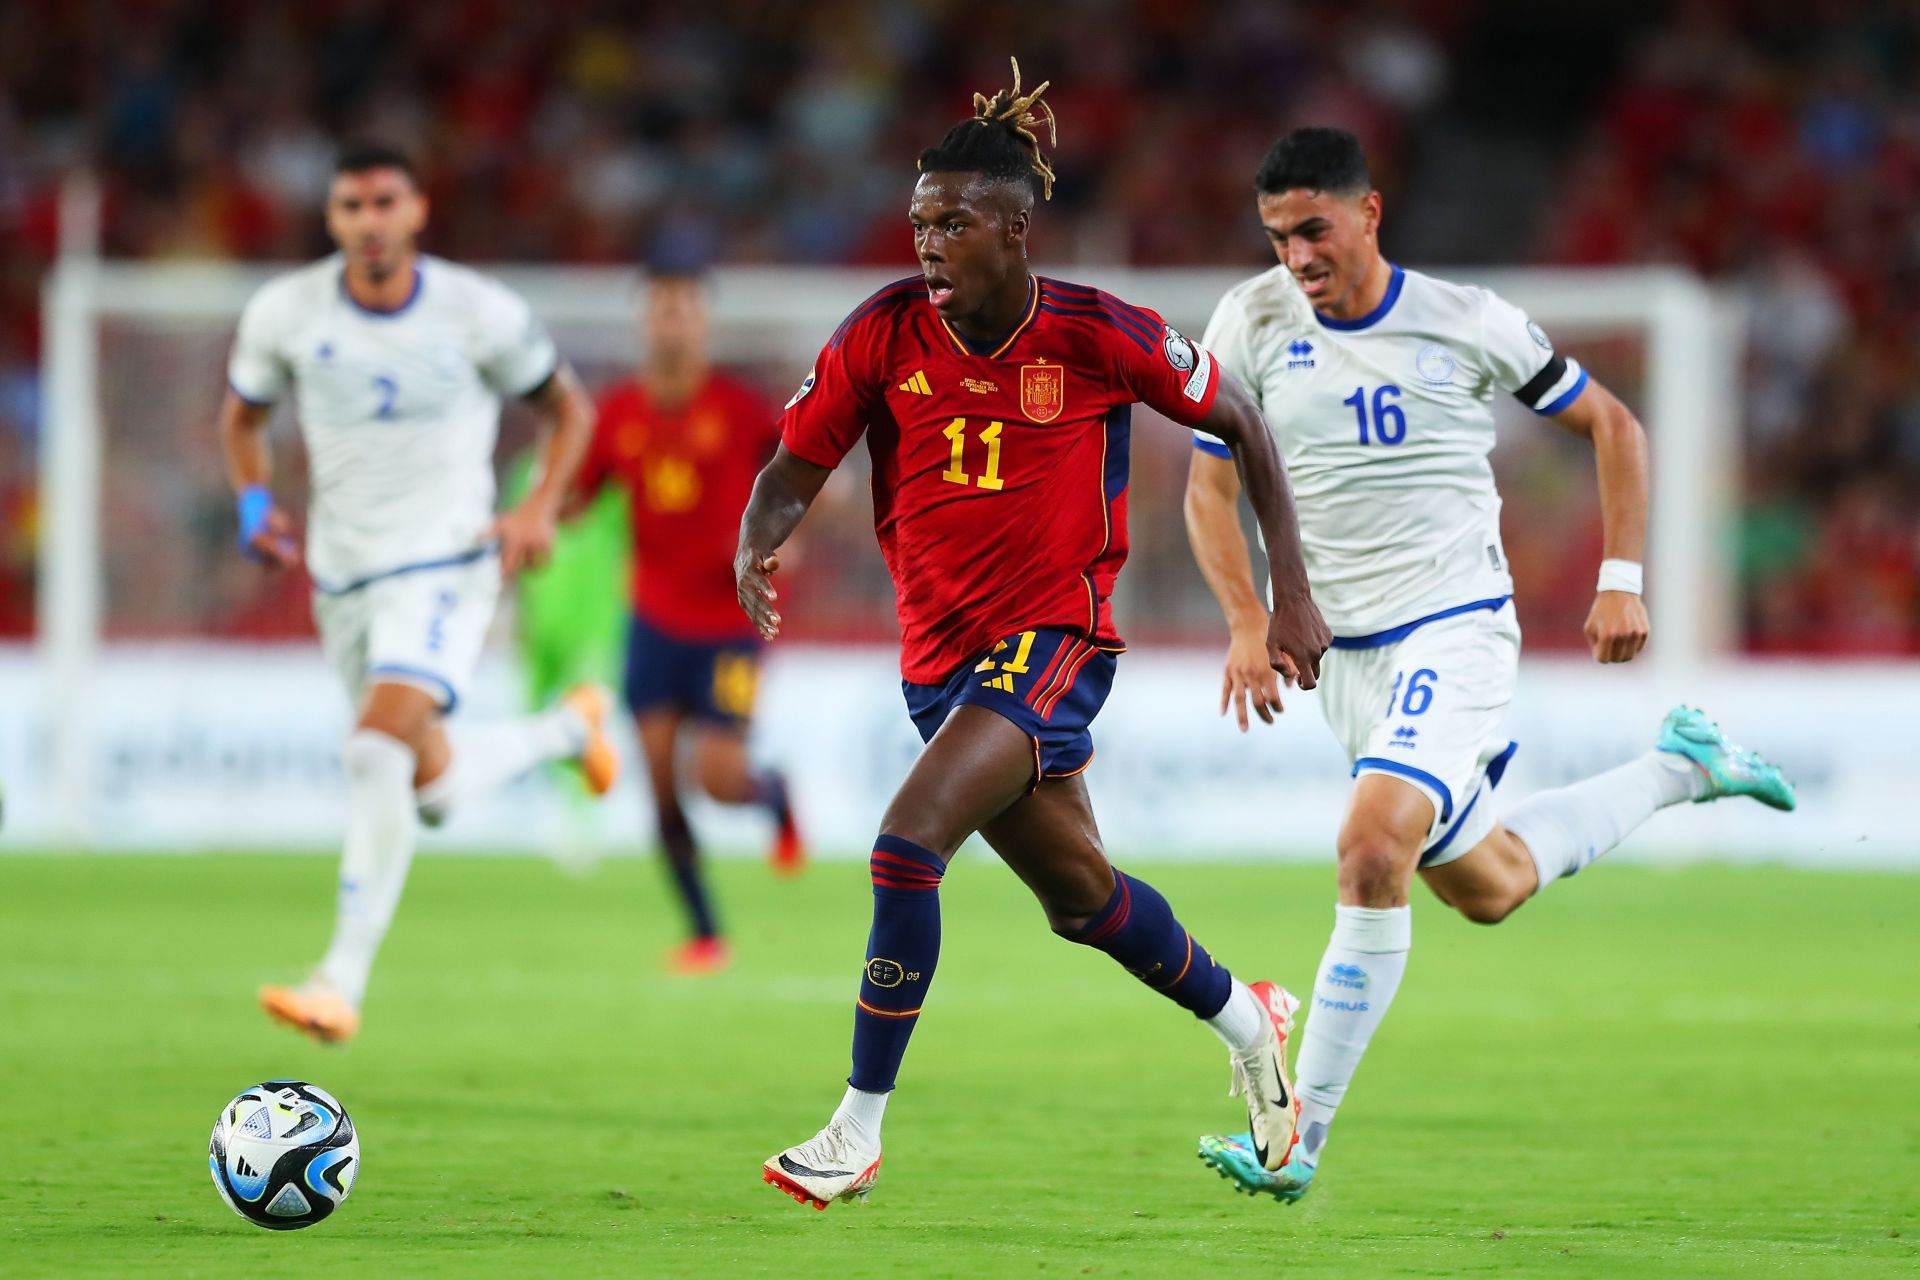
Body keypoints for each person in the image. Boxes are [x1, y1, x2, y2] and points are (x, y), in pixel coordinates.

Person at [737, 63, 1333, 1210]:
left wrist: (1285, 594)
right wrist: (753, 543)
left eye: (953, 223)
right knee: (1083, 901)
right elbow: (791, 465)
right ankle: (1246, 1015)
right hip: (939, 663)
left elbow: (1242, 422)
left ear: (1016, 228)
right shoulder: (881, 336)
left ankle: (854, 1129)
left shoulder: (1101, 334)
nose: (929, 243)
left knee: (908, 843)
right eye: (920, 222)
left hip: (1057, 640)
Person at [1182, 128, 1795, 1201]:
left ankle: (1297, 1139)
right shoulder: (1250, 319)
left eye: (1315, 229)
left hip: (1453, 627)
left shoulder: (1466, 320)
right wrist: (1246, 616)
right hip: (1346, 663)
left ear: (1371, 214)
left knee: (1371, 847)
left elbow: (1612, 422)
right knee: (1489, 884)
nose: (1297, 256)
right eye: (1279, 235)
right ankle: (1683, 768)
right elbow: (1207, 488)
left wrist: (1620, 573)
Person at [222, 142, 618, 1044]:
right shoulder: (285, 312)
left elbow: (569, 410)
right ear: (332, 220)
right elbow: (242, 417)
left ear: (416, 211)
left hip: (447, 560)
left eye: (385, 203)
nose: (370, 222)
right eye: (352, 206)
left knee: (373, 750)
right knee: (428, 789)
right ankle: (568, 729)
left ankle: (339, 980)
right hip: (343, 574)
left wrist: (536, 510)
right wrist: (253, 500)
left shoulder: (475, 311)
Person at [572, 262, 805, 976]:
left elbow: (802, 466)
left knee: (718, 778)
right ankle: (706, 932)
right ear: (646, 321)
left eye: (684, 310)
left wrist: (784, 540)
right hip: (652, 620)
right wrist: (530, 527)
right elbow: (578, 495)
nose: (672, 322)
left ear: (702, 323)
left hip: (732, 620)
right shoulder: (617, 413)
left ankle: (773, 796)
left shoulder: (739, 409)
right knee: (660, 783)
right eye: (661, 310)